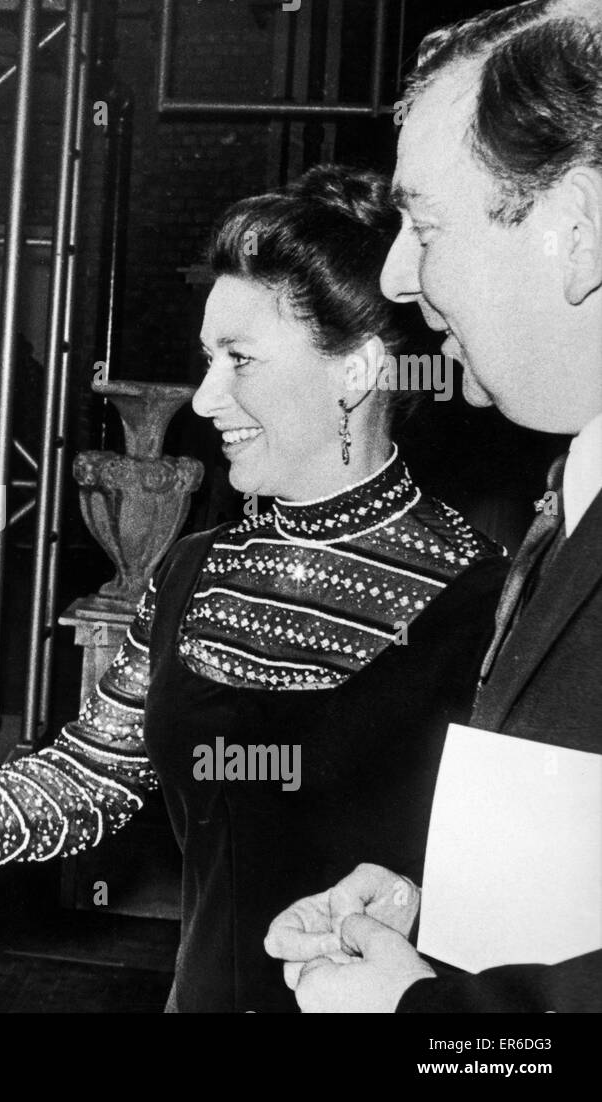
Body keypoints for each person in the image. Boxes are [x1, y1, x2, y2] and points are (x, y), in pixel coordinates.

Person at [0, 164, 510, 1013]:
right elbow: (92, 777)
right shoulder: (191, 569)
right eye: (208, 359)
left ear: (356, 373)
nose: (206, 398)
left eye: (239, 360)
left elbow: (520, 908)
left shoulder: (488, 598)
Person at [264, 0, 602, 1013]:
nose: (400, 275)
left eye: (429, 223)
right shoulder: (574, 482)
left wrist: (429, 1023)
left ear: (580, 230)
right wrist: (443, 916)